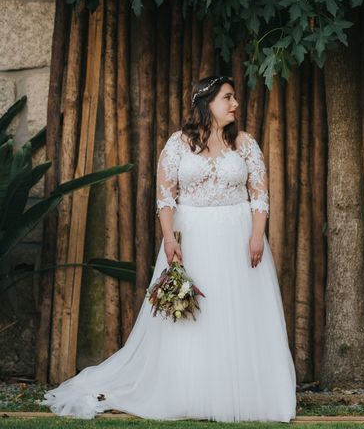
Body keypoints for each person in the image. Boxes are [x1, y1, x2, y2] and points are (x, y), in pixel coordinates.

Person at [43, 76, 297, 421]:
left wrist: (256, 235)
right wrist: (169, 237)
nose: (235, 104)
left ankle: (240, 392)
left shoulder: (246, 143)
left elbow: (260, 194)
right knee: (192, 319)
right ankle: (189, 390)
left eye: (234, 98)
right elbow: (165, 196)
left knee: (237, 313)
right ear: (206, 103)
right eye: (228, 98)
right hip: (192, 237)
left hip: (238, 236)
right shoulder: (178, 144)